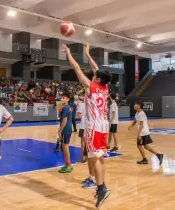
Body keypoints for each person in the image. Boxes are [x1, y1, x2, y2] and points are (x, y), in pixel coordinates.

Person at [63, 43, 111, 208]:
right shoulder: (105, 88)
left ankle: (101, 187)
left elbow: (77, 69)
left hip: (94, 126)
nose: (94, 74)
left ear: (97, 79)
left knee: (92, 157)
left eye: (96, 75)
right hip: (105, 126)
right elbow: (95, 68)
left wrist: (69, 54)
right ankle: (102, 185)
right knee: (100, 157)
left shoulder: (91, 87)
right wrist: (87, 53)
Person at [58, 92, 73, 173]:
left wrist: (59, 131)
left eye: (64, 98)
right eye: (62, 97)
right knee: (64, 147)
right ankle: (67, 164)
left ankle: (69, 165)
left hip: (66, 129)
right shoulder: (66, 107)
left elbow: (64, 121)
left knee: (65, 147)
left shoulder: (66, 108)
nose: (62, 99)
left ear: (68, 99)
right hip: (67, 128)